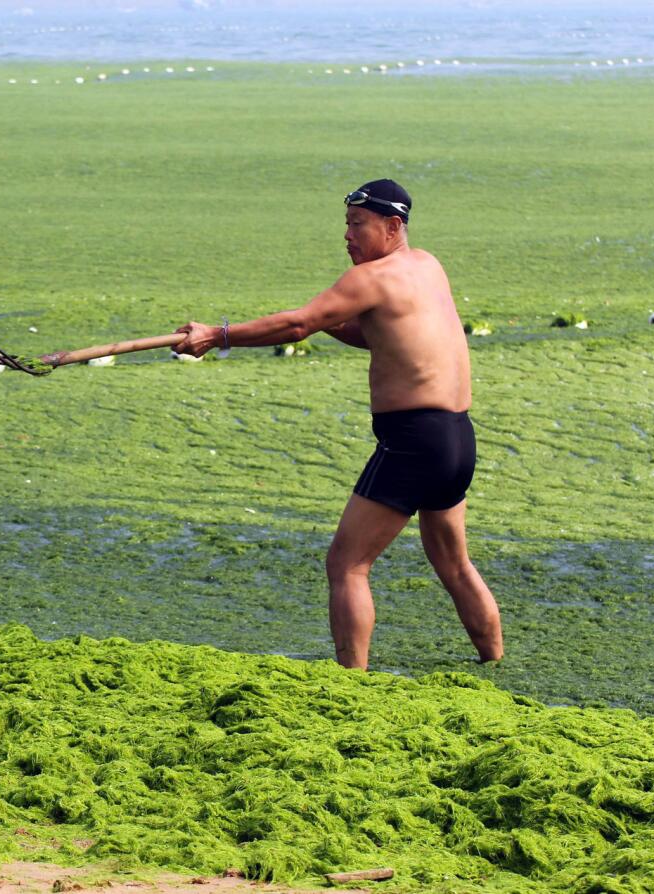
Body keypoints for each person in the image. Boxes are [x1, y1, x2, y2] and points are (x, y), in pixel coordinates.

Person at [172, 179, 503, 670]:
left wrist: (217, 335)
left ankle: (352, 683)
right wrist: (327, 319)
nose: (347, 236)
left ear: (393, 226)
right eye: (345, 225)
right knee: (454, 563)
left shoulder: (370, 279)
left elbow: (297, 325)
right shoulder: (427, 267)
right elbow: (384, 336)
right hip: (456, 438)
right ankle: (494, 660)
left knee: (346, 564)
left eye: (357, 225)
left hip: (413, 441)